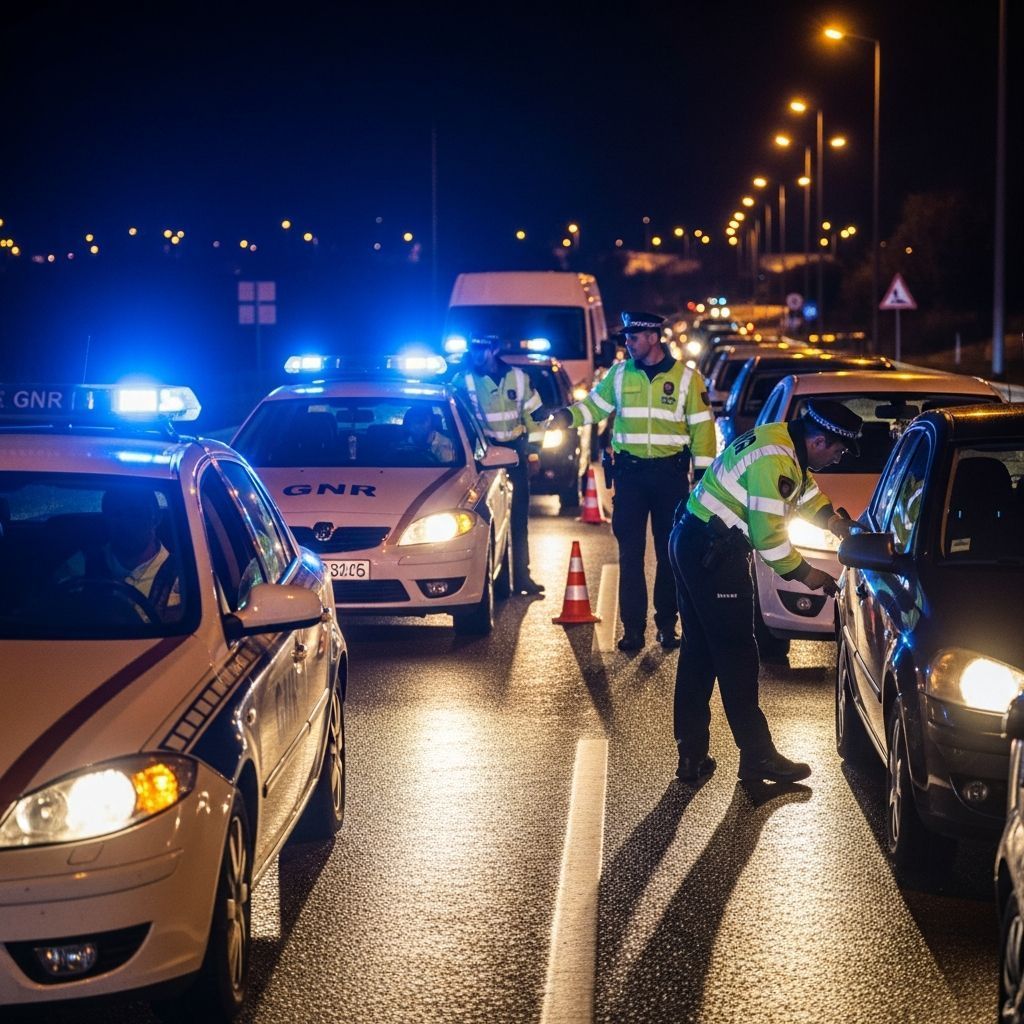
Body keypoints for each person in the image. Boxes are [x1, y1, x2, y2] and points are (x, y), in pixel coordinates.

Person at [668, 399, 862, 784]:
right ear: (820, 440)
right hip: (714, 556)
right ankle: (757, 757)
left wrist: (833, 522)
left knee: (700, 652)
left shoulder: (783, 441)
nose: (838, 459)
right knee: (737, 655)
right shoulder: (776, 459)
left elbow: (803, 494)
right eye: (838, 451)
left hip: (693, 540)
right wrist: (811, 576)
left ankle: (691, 757)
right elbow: (769, 539)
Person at [549, 311, 715, 651]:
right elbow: (594, 407)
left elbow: (702, 430)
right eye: (626, 337)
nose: (627, 342)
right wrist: (566, 416)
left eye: (633, 337)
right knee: (630, 553)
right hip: (631, 477)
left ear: (653, 337)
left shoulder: (687, 378)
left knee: (671, 553)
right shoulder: (620, 374)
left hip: (670, 476)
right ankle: (633, 629)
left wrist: (701, 479)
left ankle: (667, 625)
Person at [451, 334, 547, 595]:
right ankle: (499, 580)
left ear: (494, 348)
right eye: (472, 348)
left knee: (518, 518)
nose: (475, 354)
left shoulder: (518, 377)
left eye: (480, 348)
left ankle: (522, 576)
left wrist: (535, 452)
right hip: (484, 457)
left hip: (515, 454)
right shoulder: (463, 380)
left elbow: (536, 418)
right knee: (489, 519)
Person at [56, 484, 181, 618]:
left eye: (135, 513)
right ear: (106, 520)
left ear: (156, 518)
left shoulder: (180, 577)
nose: (125, 523)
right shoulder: (80, 565)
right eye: (116, 514)